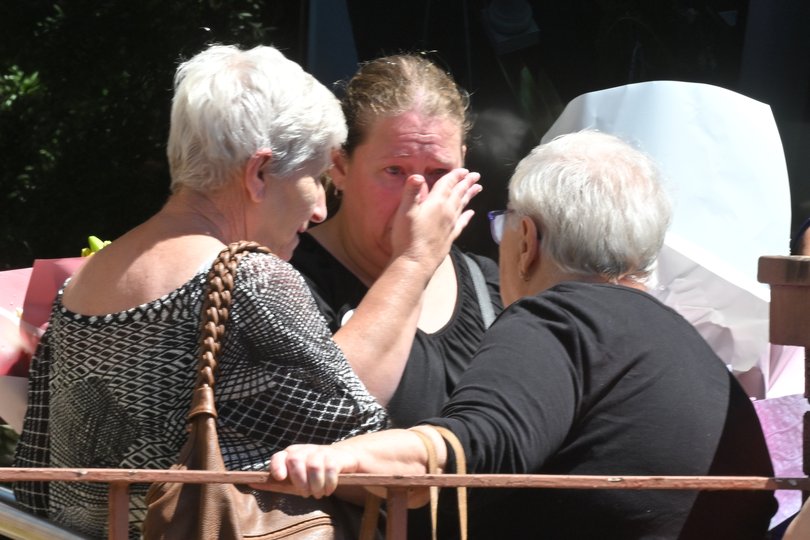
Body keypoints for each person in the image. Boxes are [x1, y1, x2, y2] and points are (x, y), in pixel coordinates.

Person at [12, 44, 481, 539]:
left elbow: (42, 473)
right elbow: (361, 447)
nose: (320, 207)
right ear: (258, 173)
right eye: (314, 177)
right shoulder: (252, 278)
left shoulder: (81, 280)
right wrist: (414, 260)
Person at [263, 131, 777, 539]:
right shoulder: (694, 353)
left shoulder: (558, 319)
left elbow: (481, 442)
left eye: (502, 226)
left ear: (526, 239)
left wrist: (341, 456)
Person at [290, 54, 503, 428]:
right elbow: (323, 420)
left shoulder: (491, 286)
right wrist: (414, 260)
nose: (418, 195)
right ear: (340, 166)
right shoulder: (288, 282)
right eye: (394, 171)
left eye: (439, 171)